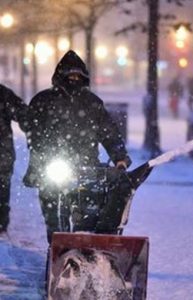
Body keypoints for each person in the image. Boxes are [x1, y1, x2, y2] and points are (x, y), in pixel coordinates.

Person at [23, 50, 132, 243]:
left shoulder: (92, 103)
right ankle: (56, 244)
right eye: (69, 75)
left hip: (86, 166)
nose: (73, 79)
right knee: (52, 213)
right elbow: (32, 129)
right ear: (60, 76)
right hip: (51, 164)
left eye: (77, 76)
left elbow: (109, 132)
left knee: (88, 213)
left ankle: (86, 245)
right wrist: (41, 149)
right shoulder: (43, 100)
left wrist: (119, 157)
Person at [0, 85, 27, 233]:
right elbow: (23, 114)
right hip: (3, 154)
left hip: (2, 155)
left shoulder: (3, 94)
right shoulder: (3, 94)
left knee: (2, 190)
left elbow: (24, 114)